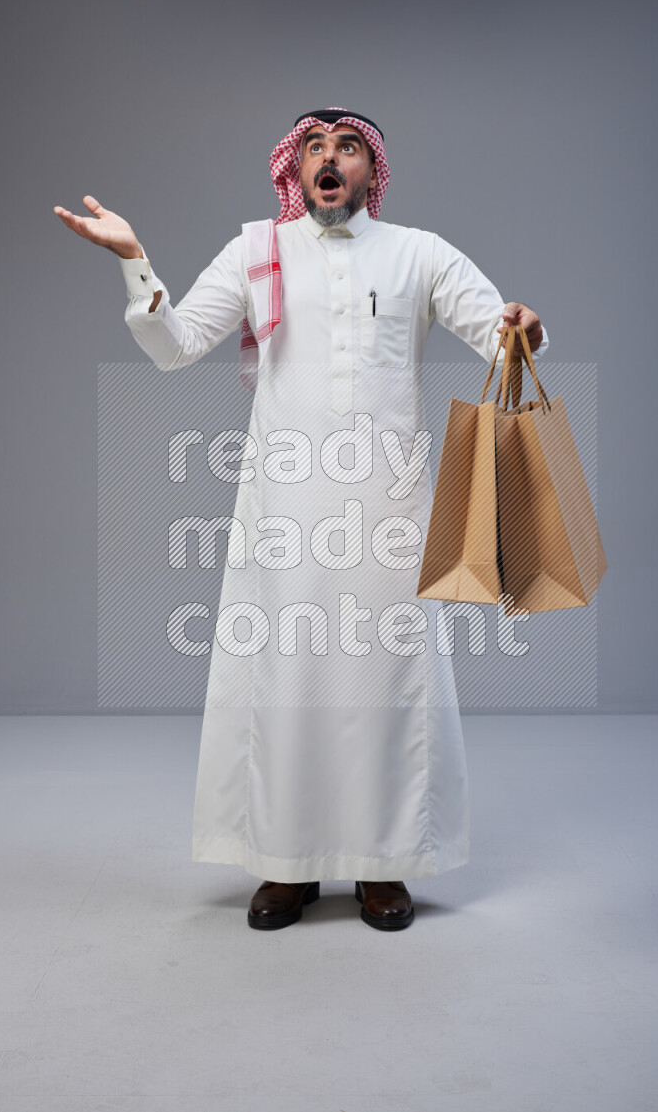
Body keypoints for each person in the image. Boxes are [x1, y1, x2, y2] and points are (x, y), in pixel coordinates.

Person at [54, 107, 548, 933]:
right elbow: (175, 346)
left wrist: (523, 330)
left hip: (390, 505)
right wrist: (136, 260)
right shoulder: (258, 250)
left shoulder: (418, 252)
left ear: (370, 170)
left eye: (346, 148)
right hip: (284, 507)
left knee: (385, 684)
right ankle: (287, 863)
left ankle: (380, 865)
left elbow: (495, 331)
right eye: (314, 147)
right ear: (294, 168)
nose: (329, 160)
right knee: (287, 683)